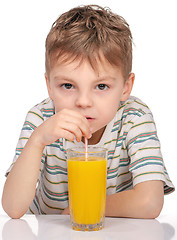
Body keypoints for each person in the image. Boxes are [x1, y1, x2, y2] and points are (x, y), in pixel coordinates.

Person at [2, 5, 174, 219]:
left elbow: (150, 202)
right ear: (49, 85)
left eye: (101, 86)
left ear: (125, 87)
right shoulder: (41, 118)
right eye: (67, 85)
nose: (83, 102)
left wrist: (81, 208)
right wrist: (37, 141)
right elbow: (13, 208)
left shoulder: (134, 117)